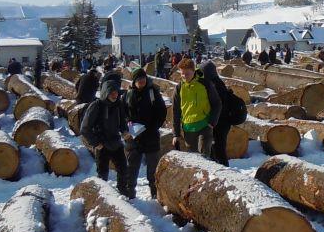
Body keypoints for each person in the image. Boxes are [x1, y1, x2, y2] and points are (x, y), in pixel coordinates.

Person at [122, 68, 166, 198]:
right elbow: (122, 113)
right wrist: (128, 124)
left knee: (153, 169)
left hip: (151, 135)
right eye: (139, 79)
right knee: (132, 167)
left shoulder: (153, 92)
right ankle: (130, 194)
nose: (141, 81)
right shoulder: (127, 95)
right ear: (134, 81)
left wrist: (154, 126)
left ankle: (155, 194)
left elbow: (162, 111)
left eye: (143, 78)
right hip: (134, 137)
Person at [81, 79, 128, 187]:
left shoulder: (118, 105)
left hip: (116, 142)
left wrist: (125, 131)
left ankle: (123, 192)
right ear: (106, 93)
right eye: (112, 93)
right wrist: (96, 143)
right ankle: (103, 195)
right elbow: (85, 128)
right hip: (102, 145)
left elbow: (122, 122)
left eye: (116, 93)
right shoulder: (96, 105)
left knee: (124, 170)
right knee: (103, 175)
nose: (114, 95)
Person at [172, 58, 220, 158]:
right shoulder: (179, 88)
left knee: (204, 157)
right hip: (188, 128)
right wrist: (176, 134)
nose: (184, 76)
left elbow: (217, 103)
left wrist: (212, 122)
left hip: (204, 126)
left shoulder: (205, 84)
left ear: (194, 71)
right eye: (182, 74)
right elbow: (176, 111)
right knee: (193, 159)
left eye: (187, 74)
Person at [202, 61, 244, 167]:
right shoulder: (217, 82)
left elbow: (218, 106)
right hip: (222, 122)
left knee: (218, 150)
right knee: (217, 149)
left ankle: (224, 170)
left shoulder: (214, 85)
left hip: (219, 123)